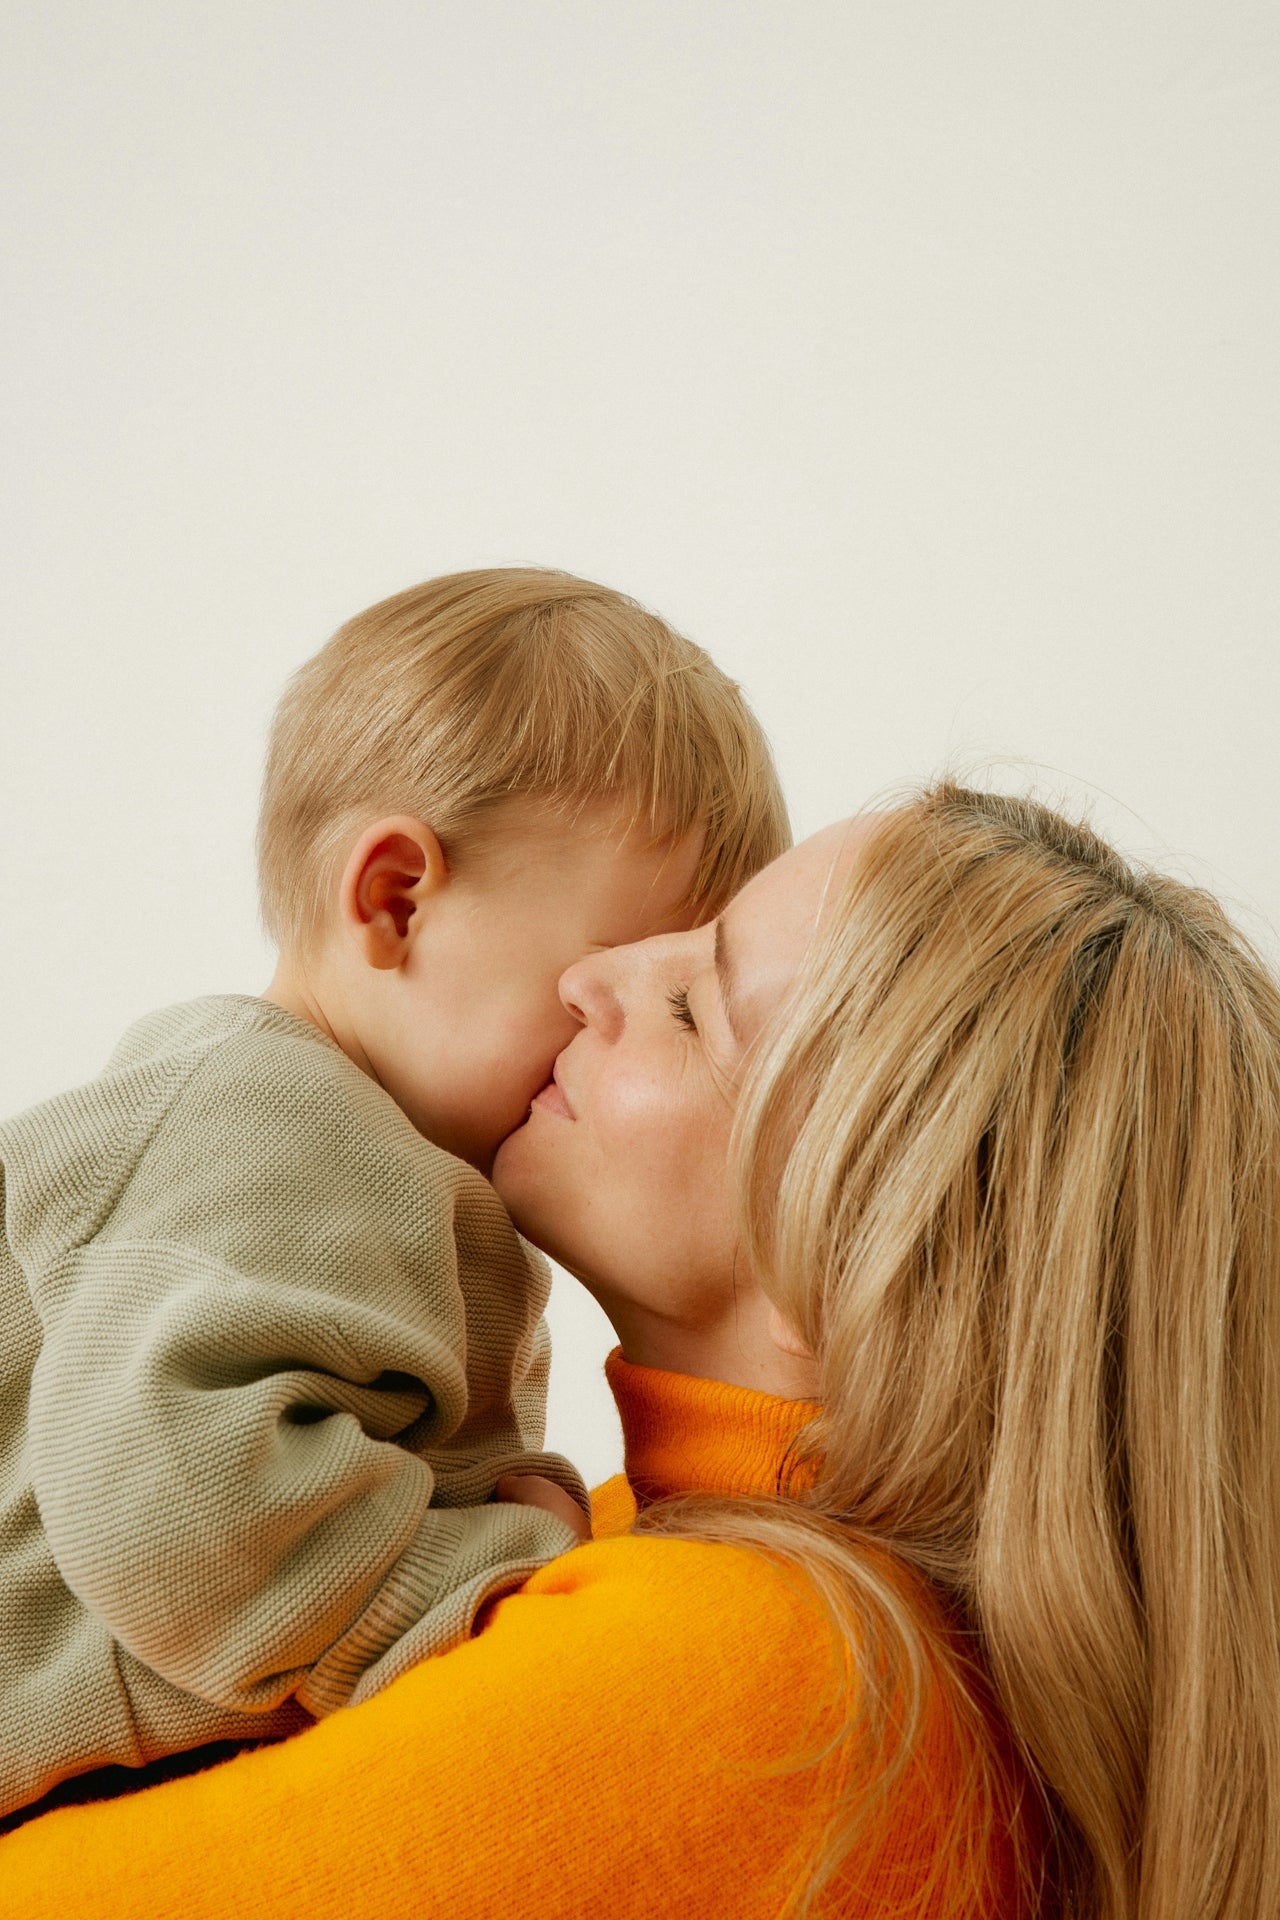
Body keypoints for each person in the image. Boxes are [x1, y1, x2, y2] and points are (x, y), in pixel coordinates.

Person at [6, 782, 1277, 1920]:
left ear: (852, 1243)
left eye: (689, 1002)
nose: (584, 978)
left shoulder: (768, 1688)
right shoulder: (641, 1549)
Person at [0, 567, 789, 1823]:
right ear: (395, 899)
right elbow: (181, 1505)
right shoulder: (263, 1117)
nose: (606, 1016)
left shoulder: (379, 1162)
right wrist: (488, 1566)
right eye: (595, 972)